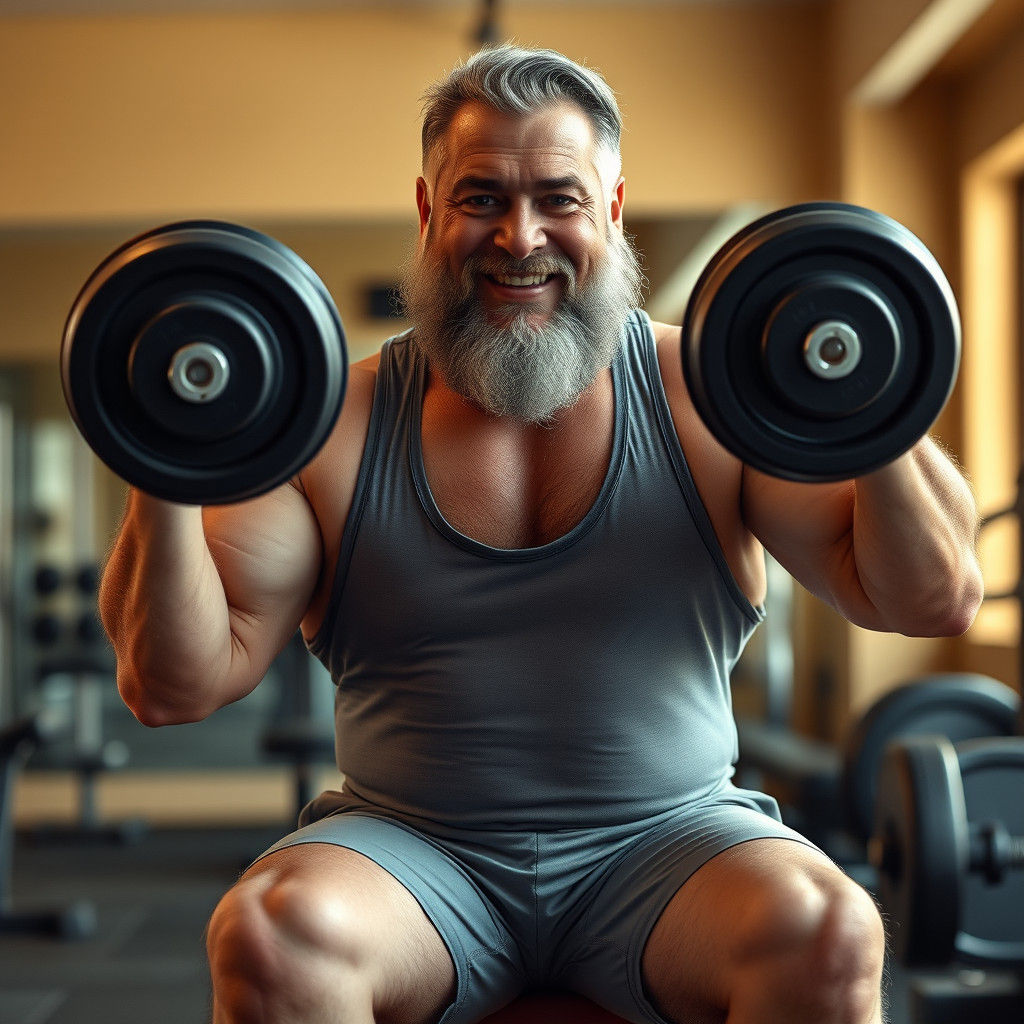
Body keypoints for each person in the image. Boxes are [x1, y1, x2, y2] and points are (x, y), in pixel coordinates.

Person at [99, 45, 983, 1024]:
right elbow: (172, 687)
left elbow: (928, 597)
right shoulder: (331, 422)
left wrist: (870, 410)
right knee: (272, 931)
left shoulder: (712, 400)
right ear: (430, 212)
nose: (519, 237)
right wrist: (162, 460)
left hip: (670, 843)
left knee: (830, 929)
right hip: (413, 851)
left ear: (610, 206)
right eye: (480, 198)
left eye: (557, 198)